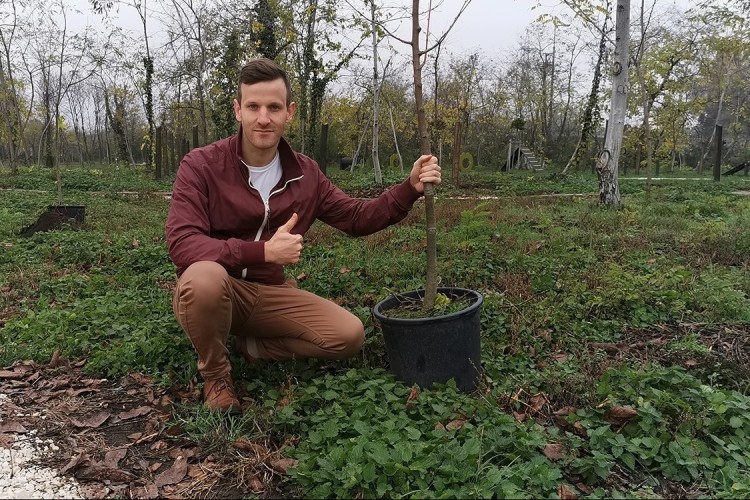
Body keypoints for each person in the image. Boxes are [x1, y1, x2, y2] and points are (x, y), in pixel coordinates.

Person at [165, 58, 441, 413]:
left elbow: (355, 217)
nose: (263, 117)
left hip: (267, 295)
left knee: (348, 335)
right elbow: (183, 243)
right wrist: (262, 252)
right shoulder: (201, 165)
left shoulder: (306, 173)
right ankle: (217, 377)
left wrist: (409, 189)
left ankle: (254, 347)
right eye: (253, 106)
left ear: (289, 112)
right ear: (238, 110)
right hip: (214, 290)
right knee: (204, 277)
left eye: (274, 107)